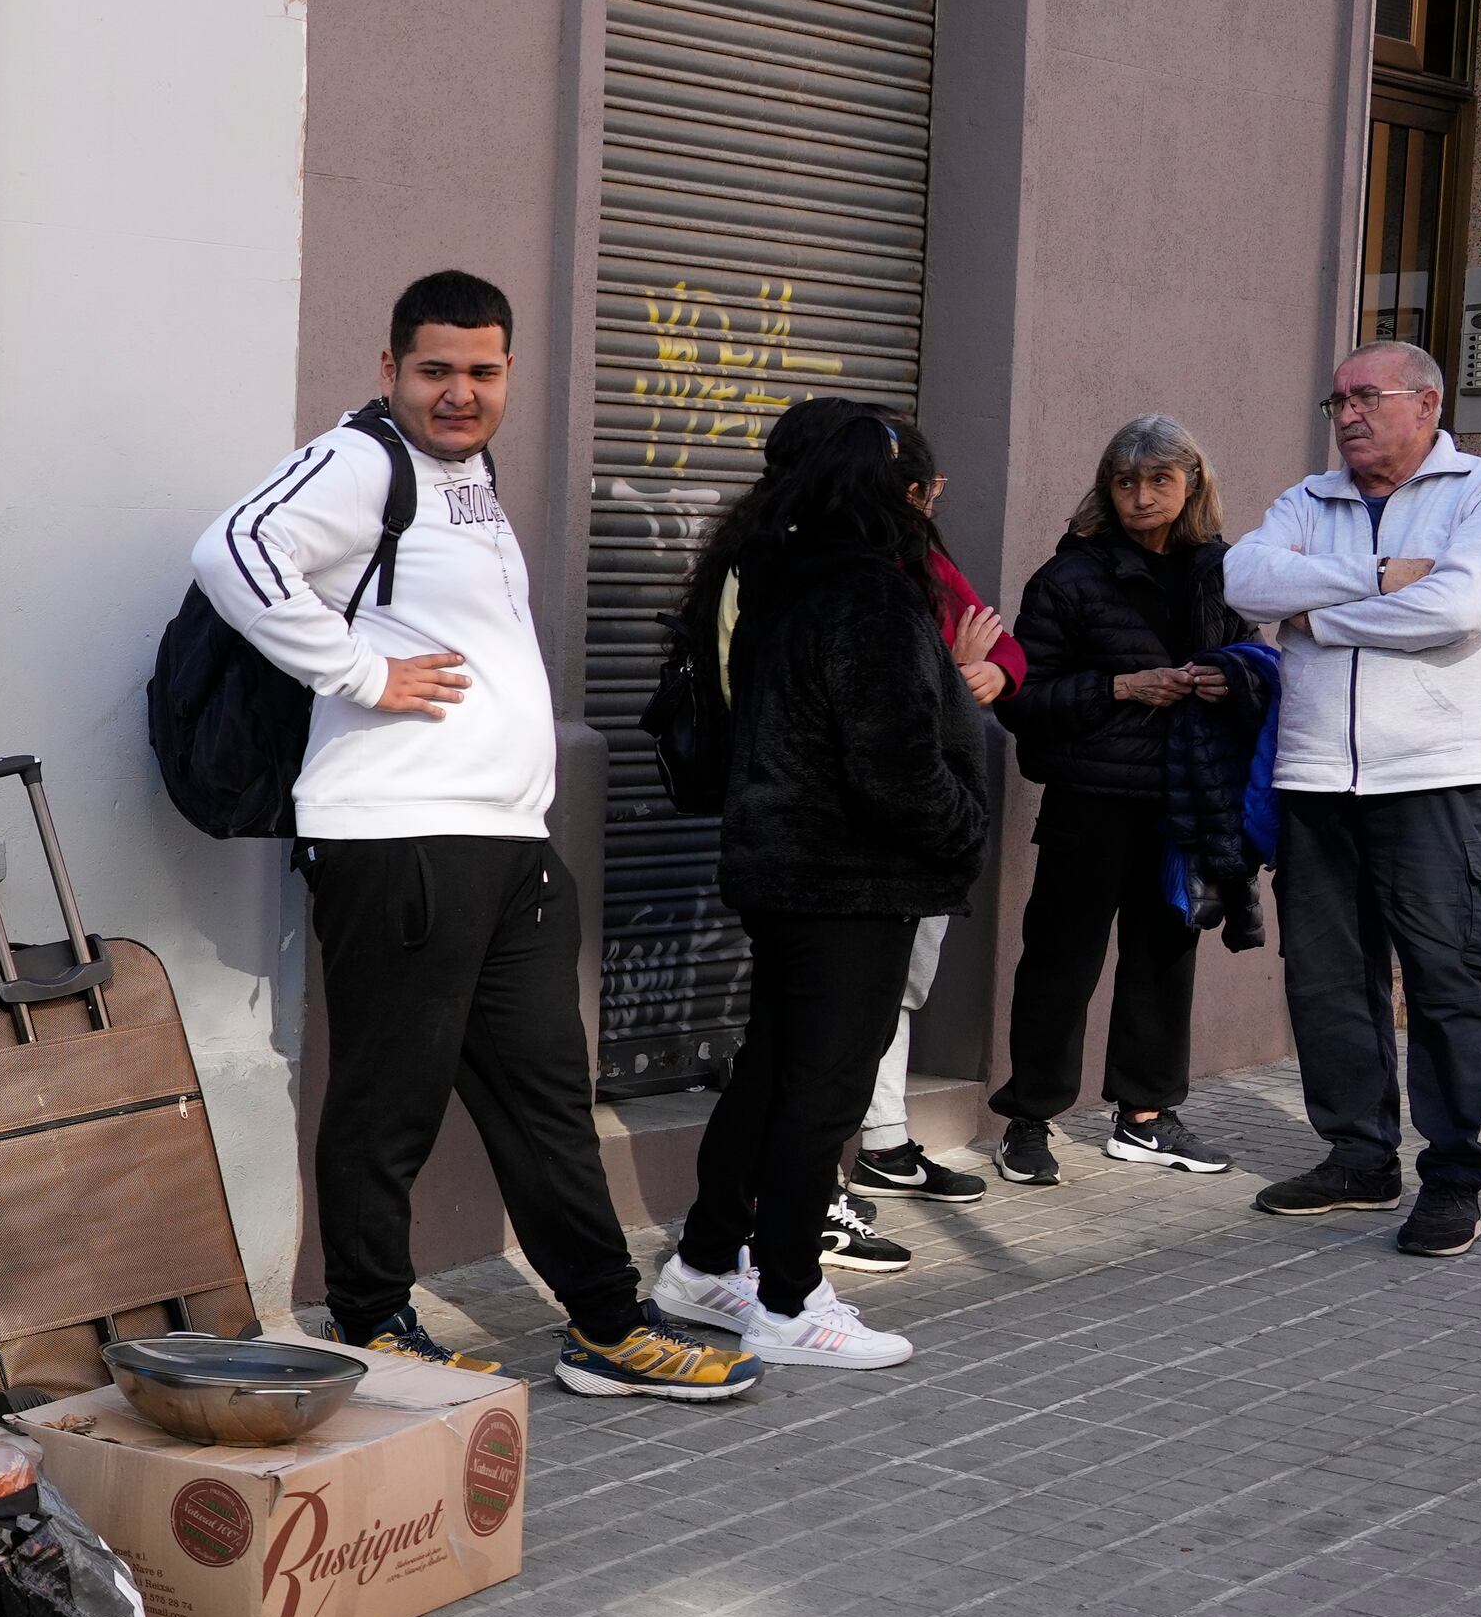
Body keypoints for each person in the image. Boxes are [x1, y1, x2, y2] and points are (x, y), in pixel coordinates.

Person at [201, 269, 757, 1399]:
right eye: (435, 370)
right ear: (389, 368)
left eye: (482, 371)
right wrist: (360, 672)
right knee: (388, 1100)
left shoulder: (466, 475)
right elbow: (233, 549)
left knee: (547, 1102)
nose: (460, 392)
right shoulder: (361, 460)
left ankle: (607, 1326)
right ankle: (370, 1323)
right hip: (399, 837)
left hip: (505, 843)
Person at [646, 410, 994, 1365]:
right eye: (919, 488)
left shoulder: (775, 572)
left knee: (773, 1069)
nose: (929, 504)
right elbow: (895, 765)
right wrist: (966, 827)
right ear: (894, 492)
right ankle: (790, 1301)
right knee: (823, 1090)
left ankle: (706, 1263)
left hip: (785, 868)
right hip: (851, 878)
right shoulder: (868, 591)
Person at [1220, 340, 1481, 1257]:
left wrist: (1314, 616)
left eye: (1368, 396)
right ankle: (1359, 1157)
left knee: (1447, 978)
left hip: (1441, 776)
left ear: (1428, 404)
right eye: (1338, 401)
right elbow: (1245, 581)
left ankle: (1453, 1174)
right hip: (1317, 776)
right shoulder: (1307, 500)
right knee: (1327, 979)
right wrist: (1378, 576)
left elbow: (1457, 608)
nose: (1349, 414)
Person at [986, 416, 1250, 1185]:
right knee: (1060, 960)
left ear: (1191, 483)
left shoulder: (1220, 570)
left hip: (1183, 799)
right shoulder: (1069, 577)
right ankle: (1028, 1119)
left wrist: (1231, 678)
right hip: (1091, 800)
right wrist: (1122, 686)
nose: (1141, 496)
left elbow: (1256, 661)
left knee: (1166, 956)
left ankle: (1145, 1116)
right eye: (1125, 481)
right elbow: (1020, 698)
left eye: (1159, 479)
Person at [844, 464, 1025, 1211]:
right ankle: (839, 1165)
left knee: (902, 982)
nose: (922, 503)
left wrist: (990, 674)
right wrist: (951, 674)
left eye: (926, 489)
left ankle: (884, 1143)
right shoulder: (839, 572)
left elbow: (1002, 647)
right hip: (859, 821)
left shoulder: (926, 561)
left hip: (927, 813)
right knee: (854, 987)